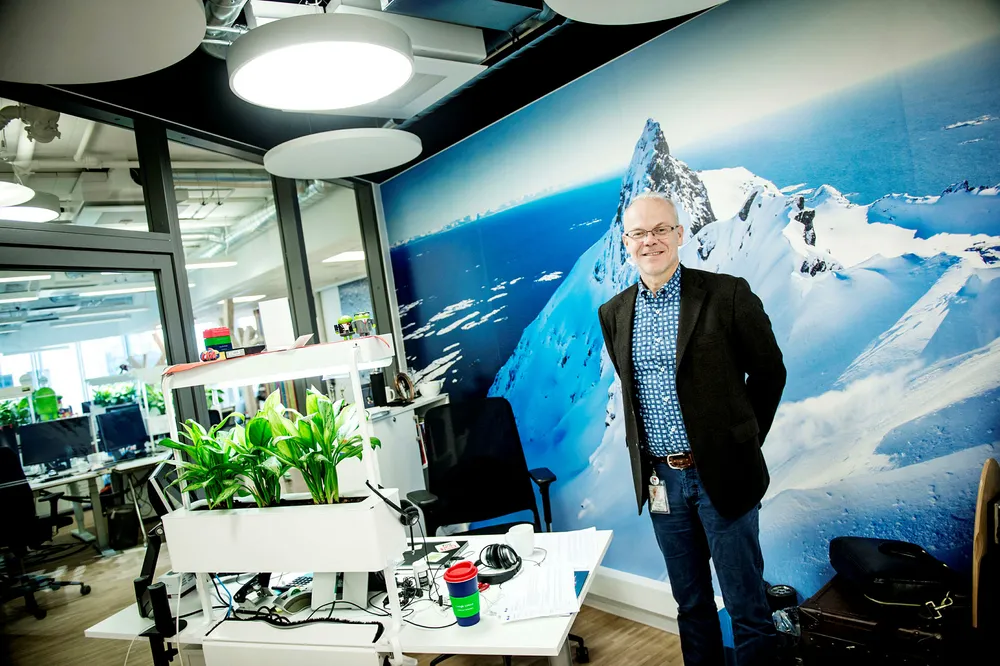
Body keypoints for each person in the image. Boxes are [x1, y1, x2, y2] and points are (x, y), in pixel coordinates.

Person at [598, 192, 786, 666]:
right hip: (663, 482)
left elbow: (769, 373)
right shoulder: (614, 313)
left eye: (661, 229)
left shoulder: (727, 295)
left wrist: (742, 444)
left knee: (747, 606)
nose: (650, 241)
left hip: (723, 474)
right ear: (626, 242)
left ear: (680, 234)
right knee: (691, 605)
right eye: (639, 233)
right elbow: (634, 389)